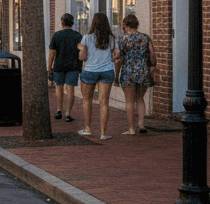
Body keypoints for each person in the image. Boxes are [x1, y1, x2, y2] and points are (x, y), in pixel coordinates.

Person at [78, 12, 117, 140]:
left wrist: (80, 48)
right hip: (107, 70)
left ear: (93, 23)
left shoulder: (86, 38)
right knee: (104, 103)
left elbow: (82, 58)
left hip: (90, 71)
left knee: (87, 100)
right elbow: (115, 55)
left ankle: (88, 128)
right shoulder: (111, 39)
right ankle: (103, 133)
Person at [115, 13, 156, 135]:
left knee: (129, 101)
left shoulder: (123, 39)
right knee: (140, 98)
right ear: (137, 25)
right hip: (143, 71)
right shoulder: (145, 38)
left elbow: (119, 59)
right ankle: (141, 124)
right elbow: (152, 54)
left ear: (125, 25)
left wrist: (116, 76)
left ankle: (131, 128)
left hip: (128, 72)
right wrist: (152, 66)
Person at [47, 13, 83, 123]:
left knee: (59, 88)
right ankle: (68, 113)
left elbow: (52, 53)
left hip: (59, 65)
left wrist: (49, 68)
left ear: (62, 23)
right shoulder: (78, 36)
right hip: (73, 66)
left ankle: (59, 110)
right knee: (70, 89)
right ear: (72, 23)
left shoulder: (57, 35)